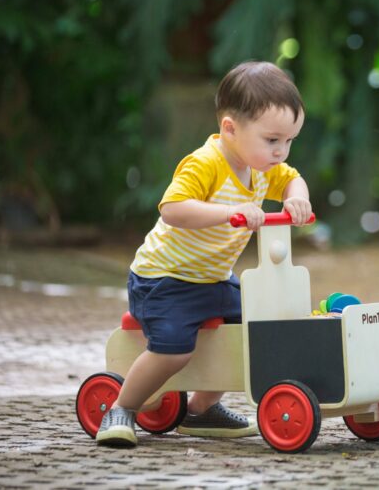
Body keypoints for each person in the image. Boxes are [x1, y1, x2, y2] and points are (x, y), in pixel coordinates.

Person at [96, 61, 312, 447]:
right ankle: (122, 408)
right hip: (163, 280)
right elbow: (172, 209)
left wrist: (298, 199)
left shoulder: (263, 167)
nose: (282, 152)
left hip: (212, 280)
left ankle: (200, 410)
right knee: (174, 352)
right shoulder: (206, 163)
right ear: (230, 128)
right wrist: (230, 213)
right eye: (273, 140)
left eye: (289, 141)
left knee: (260, 328)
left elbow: (292, 178)